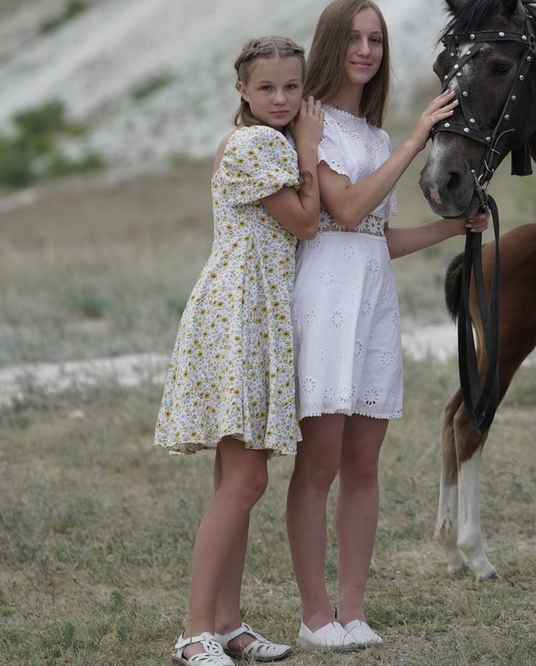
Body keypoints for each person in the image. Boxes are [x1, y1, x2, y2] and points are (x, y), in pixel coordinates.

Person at [286, 0, 489, 651]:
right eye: (354, 38)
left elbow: (375, 236)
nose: (366, 51)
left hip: (372, 299)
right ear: (331, 44)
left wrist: (452, 229)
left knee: (363, 462)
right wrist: (415, 140)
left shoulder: (372, 137)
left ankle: (353, 609)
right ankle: (314, 615)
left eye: (375, 39)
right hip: (325, 296)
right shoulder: (311, 123)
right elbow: (345, 211)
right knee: (319, 462)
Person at [156, 35, 324, 666]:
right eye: (266, 88)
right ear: (242, 92)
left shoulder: (259, 142)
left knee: (235, 479)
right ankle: (194, 632)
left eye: (291, 87)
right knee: (247, 480)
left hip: (245, 311)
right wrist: (309, 149)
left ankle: (227, 624)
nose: (281, 99)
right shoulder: (260, 145)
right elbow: (305, 222)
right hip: (242, 314)